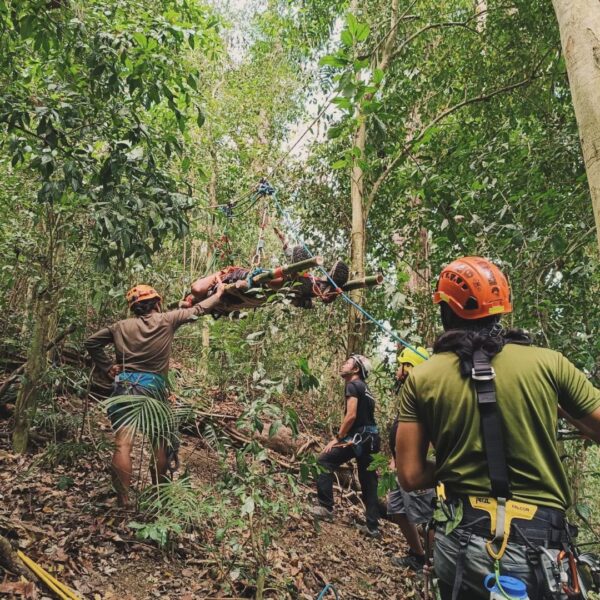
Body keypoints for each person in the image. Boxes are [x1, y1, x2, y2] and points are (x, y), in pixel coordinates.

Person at [396, 256, 600, 599]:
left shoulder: (423, 377)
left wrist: (453, 466)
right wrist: (562, 411)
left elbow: (411, 475)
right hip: (541, 547)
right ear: (500, 309)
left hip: (463, 543)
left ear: (447, 310)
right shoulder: (549, 364)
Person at [85, 283, 225, 507]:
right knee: (159, 443)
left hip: (125, 388)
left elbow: (91, 342)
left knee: (122, 445)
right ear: (158, 303)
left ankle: (123, 500)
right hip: (153, 389)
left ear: (133, 308)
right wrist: (218, 295)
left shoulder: (120, 326)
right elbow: (199, 310)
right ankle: (159, 496)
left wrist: (107, 367)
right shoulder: (168, 319)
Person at [311, 354, 381, 538]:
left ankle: (326, 507)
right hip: (372, 439)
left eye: (348, 363)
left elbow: (351, 416)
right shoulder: (365, 388)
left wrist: (338, 438)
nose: (343, 364)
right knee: (369, 482)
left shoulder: (352, 385)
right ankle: (373, 527)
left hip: (358, 438)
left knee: (323, 461)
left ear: (356, 369)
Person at [179, 246, 349, 316]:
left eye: (186, 301)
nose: (187, 303)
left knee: (267, 284)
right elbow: (196, 289)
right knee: (270, 288)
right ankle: (322, 286)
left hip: (239, 288)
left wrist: (218, 281)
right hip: (241, 297)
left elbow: (196, 289)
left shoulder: (203, 300)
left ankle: (320, 286)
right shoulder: (206, 306)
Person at [387, 346, 434, 571]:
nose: (398, 370)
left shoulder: (424, 395)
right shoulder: (410, 394)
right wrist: (396, 458)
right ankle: (418, 554)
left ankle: (434, 565)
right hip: (402, 468)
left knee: (427, 520)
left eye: (401, 364)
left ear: (410, 367)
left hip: (416, 471)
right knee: (396, 509)